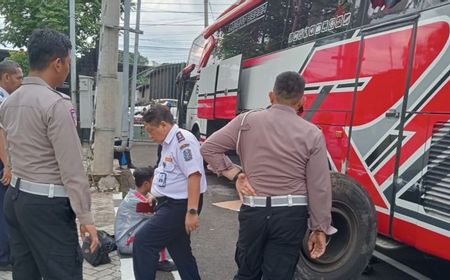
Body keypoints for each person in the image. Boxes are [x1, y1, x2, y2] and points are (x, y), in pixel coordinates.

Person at [200, 71, 337, 280]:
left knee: (247, 273)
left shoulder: (245, 121)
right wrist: (319, 228)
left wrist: (235, 175)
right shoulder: (312, 133)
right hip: (291, 216)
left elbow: (209, 148)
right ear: (302, 101)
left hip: (254, 210)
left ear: (271, 96)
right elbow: (319, 187)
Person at [0, 28, 98, 279]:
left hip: (15, 199)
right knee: (63, 272)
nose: (68, 68)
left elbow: (10, 146)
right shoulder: (56, 104)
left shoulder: (9, 102)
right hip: (47, 206)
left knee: (25, 272)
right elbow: (72, 167)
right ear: (57, 63)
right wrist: (85, 217)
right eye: (68, 62)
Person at [133, 105, 207, 280]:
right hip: (169, 203)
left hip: (179, 206)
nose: (150, 136)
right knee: (180, 251)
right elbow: (165, 171)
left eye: (151, 131)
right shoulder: (167, 142)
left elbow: (194, 175)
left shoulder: (183, 141)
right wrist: (155, 194)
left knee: (144, 242)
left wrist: (192, 211)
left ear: (164, 125)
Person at [114, 166, 176, 272]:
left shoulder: (135, 195)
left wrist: (154, 196)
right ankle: (160, 261)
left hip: (124, 238)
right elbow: (160, 214)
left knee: (155, 222)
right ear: (146, 184)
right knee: (159, 224)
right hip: (126, 243)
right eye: (154, 182)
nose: (156, 185)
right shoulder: (140, 203)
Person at [0, 58, 23, 271]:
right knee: (5, 210)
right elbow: (1, 133)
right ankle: (4, 257)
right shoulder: (2, 99)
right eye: (18, 78)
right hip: (2, 163)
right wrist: (7, 165)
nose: (21, 82)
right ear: (6, 77)